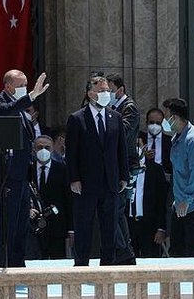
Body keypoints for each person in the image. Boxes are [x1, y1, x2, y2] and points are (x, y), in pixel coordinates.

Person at [0, 70, 50, 268]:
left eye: (26, 85)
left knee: (23, 221)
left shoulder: (23, 111)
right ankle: (4, 261)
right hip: (8, 175)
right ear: (8, 86)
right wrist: (31, 96)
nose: (25, 89)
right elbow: (6, 110)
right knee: (9, 221)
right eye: (21, 85)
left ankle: (18, 260)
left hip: (23, 175)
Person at [66, 75, 129, 266]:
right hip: (86, 182)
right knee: (84, 225)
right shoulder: (77, 119)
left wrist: (124, 176)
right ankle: (81, 263)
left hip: (110, 181)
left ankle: (108, 264)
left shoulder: (115, 117)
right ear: (90, 93)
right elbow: (71, 152)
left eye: (107, 90)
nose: (106, 94)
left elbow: (121, 150)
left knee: (109, 225)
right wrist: (74, 178)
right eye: (102, 90)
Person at [164, 98, 194, 257]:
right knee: (177, 252)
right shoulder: (176, 138)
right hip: (180, 203)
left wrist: (187, 199)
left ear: (175, 117)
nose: (164, 120)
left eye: (166, 116)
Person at [106, 73, 140, 265]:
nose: (108, 94)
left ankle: (124, 249)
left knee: (116, 208)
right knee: (115, 209)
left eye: (110, 90)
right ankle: (124, 249)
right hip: (116, 163)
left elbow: (123, 131)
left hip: (125, 163)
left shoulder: (129, 108)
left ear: (121, 90)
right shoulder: (116, 108)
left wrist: (108, 114)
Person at [129, 110, 171, 258]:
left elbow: (161, 201)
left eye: (158, 123)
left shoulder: (168, 143)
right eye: (151, 122)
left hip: (150, 222)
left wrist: (161, 227)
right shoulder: (126, 167)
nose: (154, 126)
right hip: (130, 222)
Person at [28, 135, 72, 259]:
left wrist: (71, 229)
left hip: (57, 226)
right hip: (34, 227)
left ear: (52, 149)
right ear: (33, 150)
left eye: (47, 147)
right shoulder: (27, 170)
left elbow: (69, 200)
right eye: (40, 147)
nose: (43, 150)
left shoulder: (62, 169)